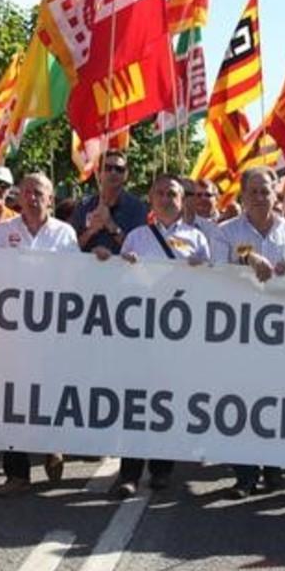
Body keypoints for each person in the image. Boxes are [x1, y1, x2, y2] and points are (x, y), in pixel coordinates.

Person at [99, 174, 211, 499]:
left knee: (166, 403)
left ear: (182, 199)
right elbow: (121, 284)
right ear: (151, 198)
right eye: (160, 193)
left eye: (172, 193)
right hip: (142, 335)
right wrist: (120, 264)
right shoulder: (136, 237)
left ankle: (162, 470)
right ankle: (129, 473)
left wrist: (201, 269)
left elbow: (209, 285)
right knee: (136, 402)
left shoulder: (197, 239)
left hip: (178, 335)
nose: (166, 198)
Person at [216, 166, 285, 498]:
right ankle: (244, 474)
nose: (259, 197)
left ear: (276, 193)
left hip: (284, 334)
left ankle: (273, 467)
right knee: (241, 402)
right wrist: (248, 256)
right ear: (242, 195)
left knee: (277, 401)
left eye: (265, 191)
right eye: (253, 191)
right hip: (238, 332)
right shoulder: (225, 232)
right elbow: (217, 271)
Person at [0, 173, 80, 495]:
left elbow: (75, 279)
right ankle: (17, 475)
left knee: (49, 392)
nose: (32, 197)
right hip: (12, 329)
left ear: (51, 198)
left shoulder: (65, 233)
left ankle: (53, 444)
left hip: (52, 329)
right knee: (11, 399)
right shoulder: (3, 231)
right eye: (26, 191)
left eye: (38, 191)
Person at [71, 150, 148, 254]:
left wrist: (111, 225)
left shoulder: (137, 208)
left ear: (126, 175)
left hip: (122, 269)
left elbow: (140, 249)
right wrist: (90, 231)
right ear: (99, 173)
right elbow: (70, 248)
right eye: (107, 168)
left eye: (119, 169)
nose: (113, 172)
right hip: (88, 268)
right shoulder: (84, 206)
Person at [182, 178, 228, 262]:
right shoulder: (184, 226)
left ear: (217, 198)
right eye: (198, 195)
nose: (203, 198)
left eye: (208, 195)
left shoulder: (227, 224)